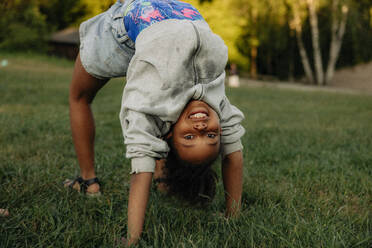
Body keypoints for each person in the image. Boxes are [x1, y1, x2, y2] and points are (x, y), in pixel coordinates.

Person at [65, 0, 245, 245]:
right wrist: (232, 215)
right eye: (211, 136)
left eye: (190, 138)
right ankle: (164, 179)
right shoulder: (218, 106)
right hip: (178, 11)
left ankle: (88, 181)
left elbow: (141, 171)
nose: (201, 128)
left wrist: (132, 238)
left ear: (170, 136)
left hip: (128, 27)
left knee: (79, 97)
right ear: (220, 131)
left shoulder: (146, 109)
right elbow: (233, 155)